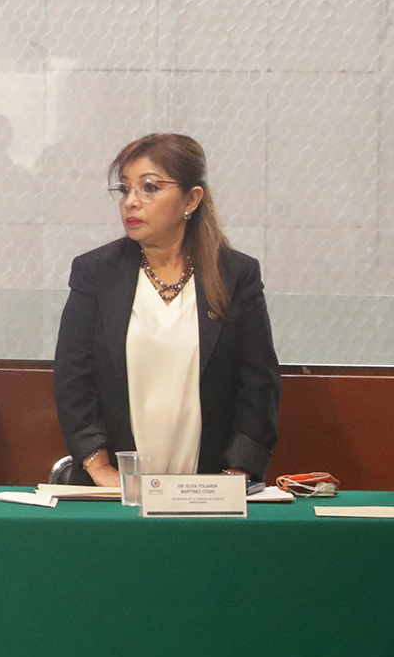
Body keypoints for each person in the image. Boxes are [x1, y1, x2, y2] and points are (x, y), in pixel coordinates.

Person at [52, 134, 280, 484]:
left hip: (209, 488)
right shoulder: (96, 273)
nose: (131, 202)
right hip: (116, 489)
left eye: (149, 188)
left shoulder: (235, 275)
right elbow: (72, 377)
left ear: (192, 199)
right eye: (125, 189)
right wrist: (100, 467)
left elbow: (259, 385)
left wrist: (234, 475)